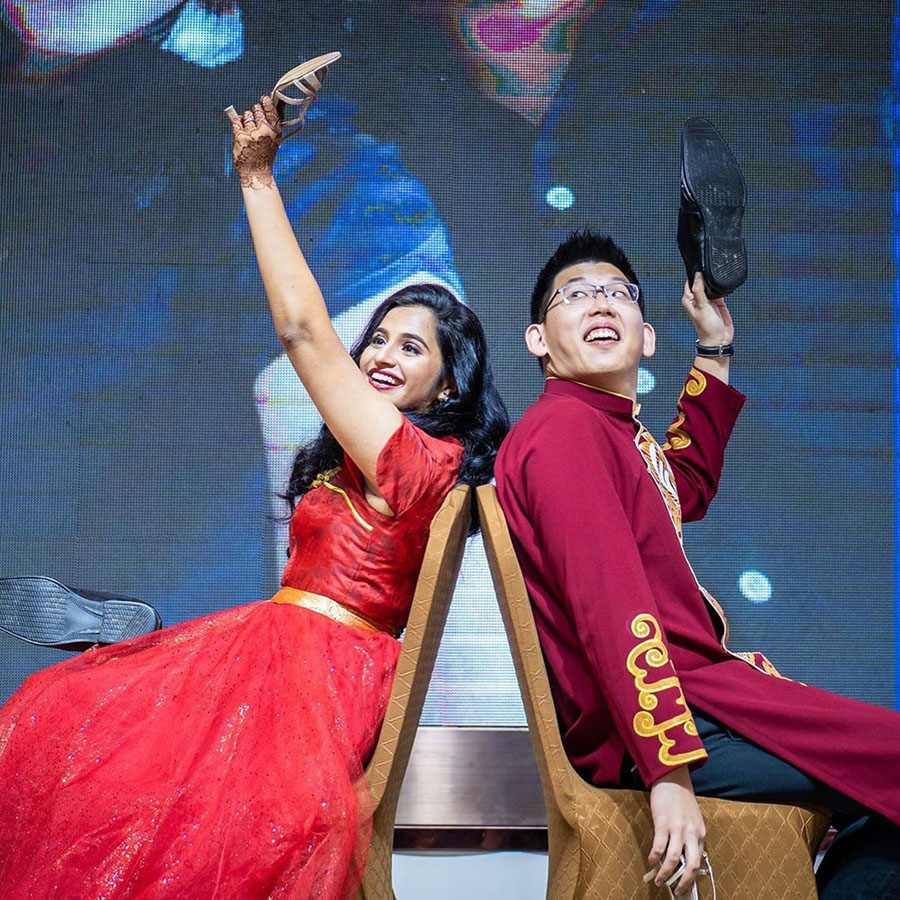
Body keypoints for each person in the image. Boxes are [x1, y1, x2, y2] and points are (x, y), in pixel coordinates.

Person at [0, 90, 508, 898]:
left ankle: (143, 647)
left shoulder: (418, 460)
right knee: (60, 721)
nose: (382, 354)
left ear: (450, 384)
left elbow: (303, 330)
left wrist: (258, 178)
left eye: (411, 348)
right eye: (377, 338)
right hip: (273, 644)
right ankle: (144, 646)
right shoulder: (366, 455)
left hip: (319, 675)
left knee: (203, 829)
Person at [494, 229, 900, 898]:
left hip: (696, 702)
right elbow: (609, 604)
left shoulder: (604, 430)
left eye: (619, 293)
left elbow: (680, 488)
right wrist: (668, 769)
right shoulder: (566, 432)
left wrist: (713, 345)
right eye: (577, 295)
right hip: (673, 719)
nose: (601, 303)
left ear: (648, 337)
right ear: (537, 339)